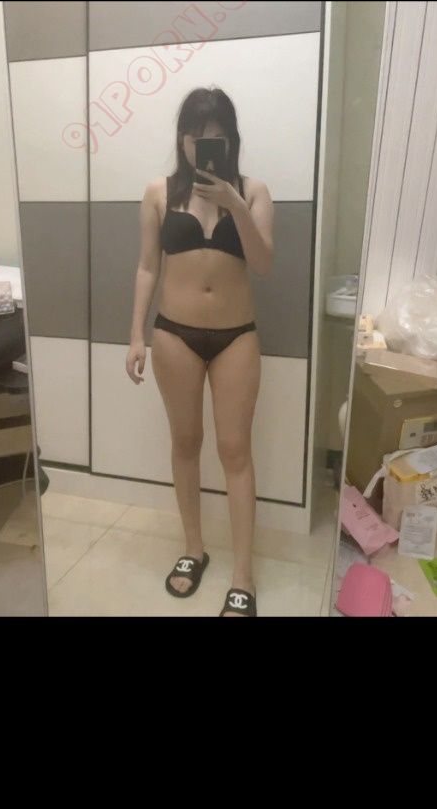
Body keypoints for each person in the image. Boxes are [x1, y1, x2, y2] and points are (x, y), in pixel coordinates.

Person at [126, 87, 273, 616]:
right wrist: (136, 334)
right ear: (181, 138)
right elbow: (148, 266)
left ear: (230, 140)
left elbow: (263, 265)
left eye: (215, 137)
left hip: (237, 337)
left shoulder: (254, 192)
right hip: (174, 335)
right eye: (194, 136)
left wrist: (235, 206)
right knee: (185, 444)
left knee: (235, 451)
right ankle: (193, 550)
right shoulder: (159, 192)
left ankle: (243, 575)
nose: (202, 146)